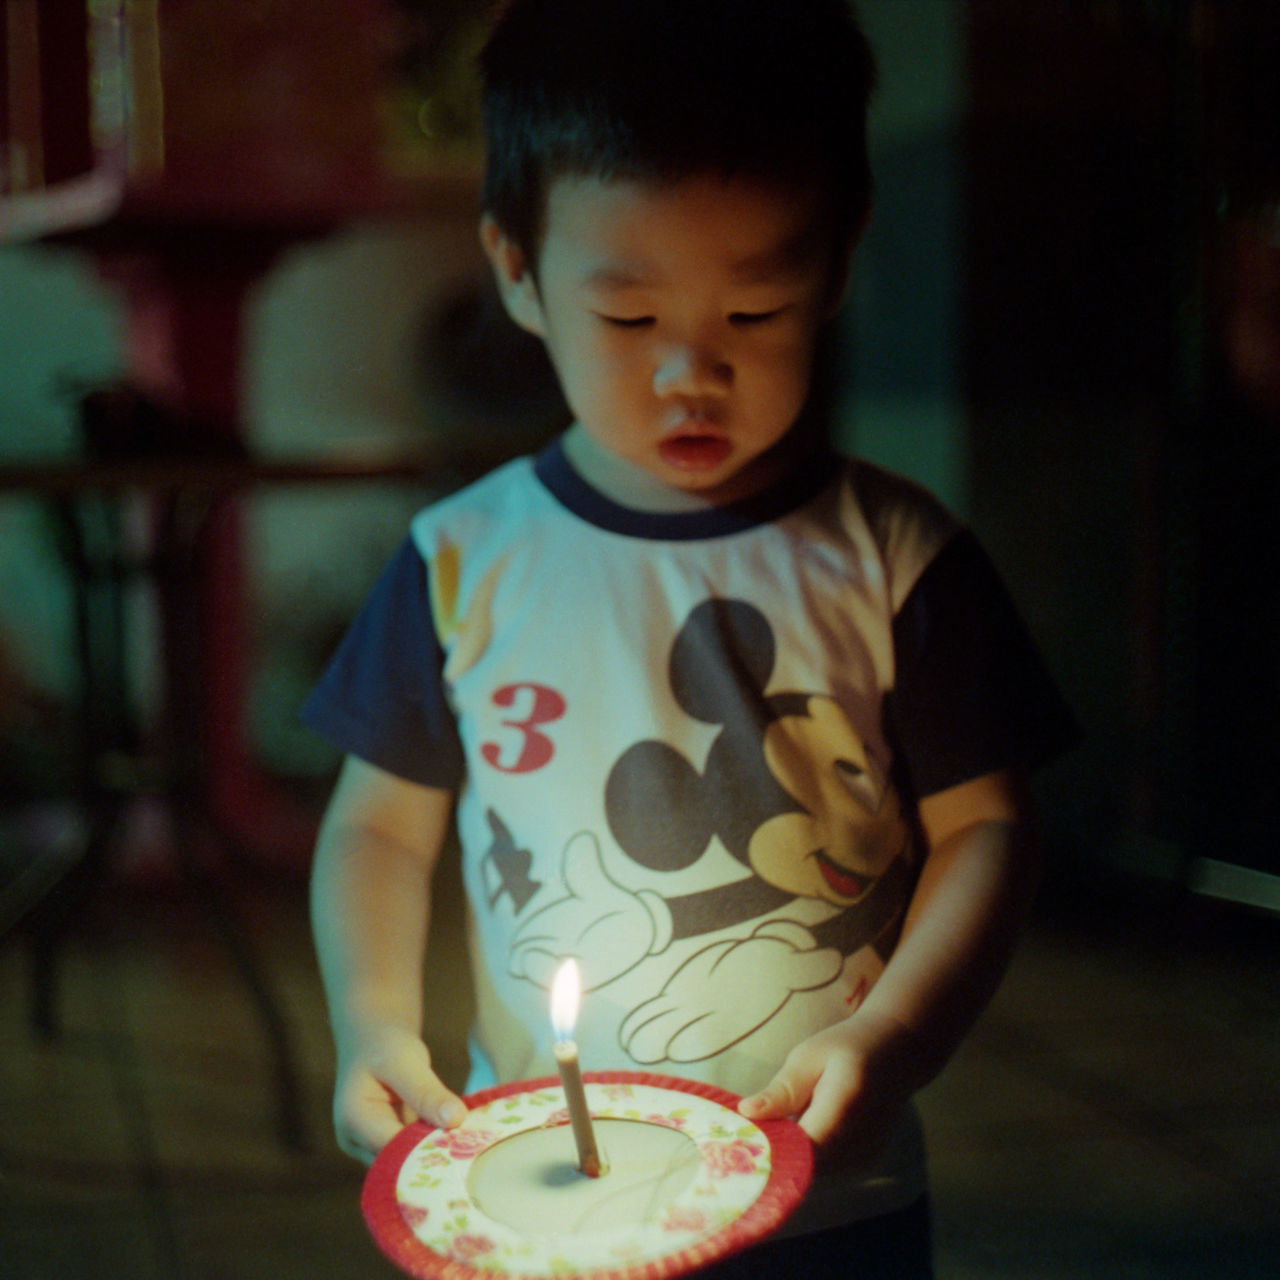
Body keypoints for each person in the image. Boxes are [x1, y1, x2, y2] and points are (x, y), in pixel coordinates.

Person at [302, 2, 1076, 1276]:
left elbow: (987, 826)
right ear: (514, 267)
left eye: (755, 312)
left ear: (835, 262)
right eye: (627, 319)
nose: (687, 375)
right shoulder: (459, 563)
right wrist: (372, 1019)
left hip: (828, 1189)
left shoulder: (893, 558)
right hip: (538, 1190)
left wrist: (892, 1039)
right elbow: (378, 823)